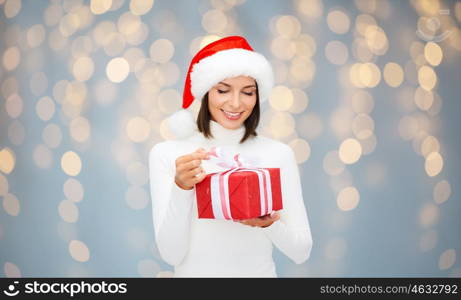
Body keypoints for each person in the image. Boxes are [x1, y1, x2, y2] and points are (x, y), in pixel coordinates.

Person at [149, 36, 313, 277]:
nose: (235, 103)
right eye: (223, 90)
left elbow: (301, 251)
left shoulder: (277, 154)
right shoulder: (169, 154)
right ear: (206, 92)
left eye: (248, 92)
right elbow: (171, 254)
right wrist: (181, 188)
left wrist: (269, 224)